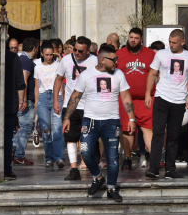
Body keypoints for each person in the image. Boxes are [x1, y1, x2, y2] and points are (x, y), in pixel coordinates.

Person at [63, 45, 135, 202]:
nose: (116, 62)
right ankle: (98, 177)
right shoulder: (87, 75)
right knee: (86, 152)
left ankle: (112, 188)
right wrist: (67, 117)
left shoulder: (119, 74)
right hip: (90, 120)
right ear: (102, 60)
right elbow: (75, 97)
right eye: (113, 59)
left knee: (113, 157)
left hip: (111, 121)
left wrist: (131, 118)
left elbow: (126, 97)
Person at [145, 29, 188, 179]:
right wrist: (148, 94)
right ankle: (154, 168)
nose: (171, 45)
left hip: (179, 100)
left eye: (174, 42)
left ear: (182, 42)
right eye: (169, 41)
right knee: (158, 133)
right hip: (162, 98)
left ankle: (170, 169)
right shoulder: (161, 54)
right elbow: (152, 73)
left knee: (173, 136)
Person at [53, 36, 98, 180]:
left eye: (80, 51)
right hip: (70, 105)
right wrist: (56, 100)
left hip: (90, 104)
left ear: (88, 51)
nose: (76, 53)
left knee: (88, 137)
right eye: (75, 50)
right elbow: (58, 79)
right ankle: (73, 169)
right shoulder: (66, 60)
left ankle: (91, 165)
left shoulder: (95, 61)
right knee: (70, 137)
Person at [116, 27, 156, 171]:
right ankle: (127, 159)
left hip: (146, 99)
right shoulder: (119, 54)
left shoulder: (150, 54)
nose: (133, 40)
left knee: (148, 129)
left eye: (136, 38)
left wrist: (149, 93)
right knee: (127, 130)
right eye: (131, 37)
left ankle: (155, 159)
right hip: (126, 99)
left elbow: (156, 73)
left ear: (141, 39)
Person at [35, 41, 66, 168]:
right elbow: (37, 87)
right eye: (46, 55)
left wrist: (62, 101)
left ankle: (60, 157)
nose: (49, 57)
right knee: (46, 129)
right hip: (42, 98)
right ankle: (49, 157)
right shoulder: (37, 67)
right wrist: (37, 105)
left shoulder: (59, 65)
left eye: (50, 55)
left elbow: (61, 85)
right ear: (42, 54)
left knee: (58, 128)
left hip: (56, 96)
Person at [13, 37, 39, 166]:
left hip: (22, 98)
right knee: (26, 127)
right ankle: (18, 155)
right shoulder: (26, 61)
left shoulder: (19, 58)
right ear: (34, 48)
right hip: (25, 99)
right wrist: (22, 100)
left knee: (24, 127)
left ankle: (13, 150)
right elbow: (23, 80)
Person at [4, 49, 27, 179]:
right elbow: (20, 82)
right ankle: (7, 168)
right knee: (7, 137)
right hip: (10, 102)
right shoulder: (13, 57)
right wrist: (21, 100)